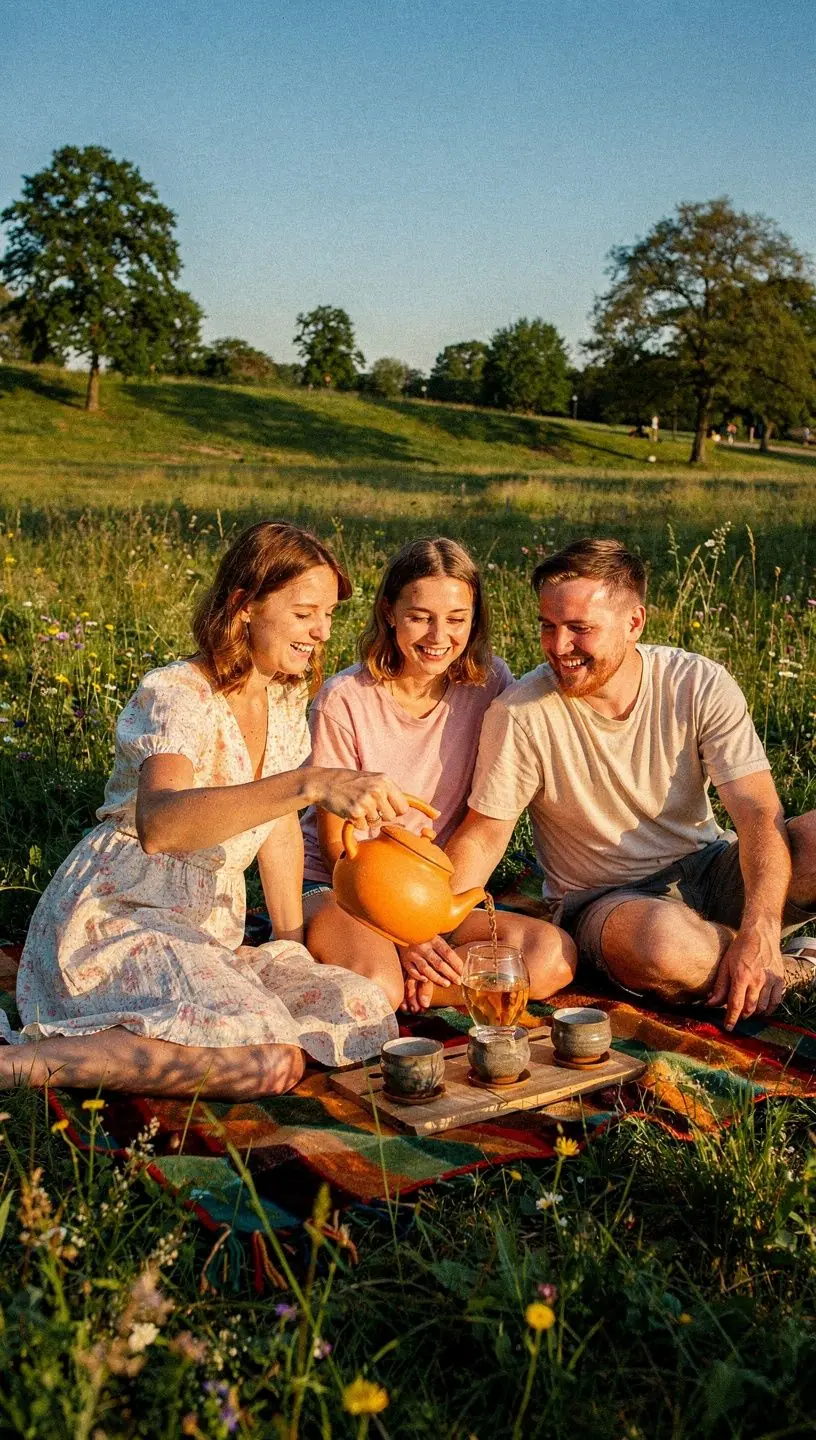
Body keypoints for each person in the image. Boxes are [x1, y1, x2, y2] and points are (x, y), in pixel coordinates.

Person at [1, 522, 411, 1098]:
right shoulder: (177, 693)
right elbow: (161, 825)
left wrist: (290, 943)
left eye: (328, 615)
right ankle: (18, 1064)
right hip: (122, 915)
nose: (321, 632)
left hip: (207, 929)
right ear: (244, 607)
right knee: (269, 1063)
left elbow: (277, 829)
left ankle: (177, 1039)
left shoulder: (284, 696)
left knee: (361, 1006)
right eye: (303, 614)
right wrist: (307, 784)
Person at [442, 538, 816, 1032]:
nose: (559, 646)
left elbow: (756, 811)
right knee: (663, 945)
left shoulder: (697, 682)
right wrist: (425, 923)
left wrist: (761, 925)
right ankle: (794, 966)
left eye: (579, 628)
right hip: (613, 904)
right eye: (548, 626)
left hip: (708, 865)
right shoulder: (521, 714)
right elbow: (484, 836)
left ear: (634, 622)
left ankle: (745, 949)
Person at [302, 537, 577, 1012]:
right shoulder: (343, 700)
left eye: (456, 619)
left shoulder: (490, 683)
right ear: (389, 613)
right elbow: (335, 848)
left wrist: (422, 927)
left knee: (551, 956)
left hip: (433, 892)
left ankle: (422, 987)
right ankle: (399, 979)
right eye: (420, 617)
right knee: (378, 983)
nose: (438, 636)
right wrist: (406, 933)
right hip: (343, 888)